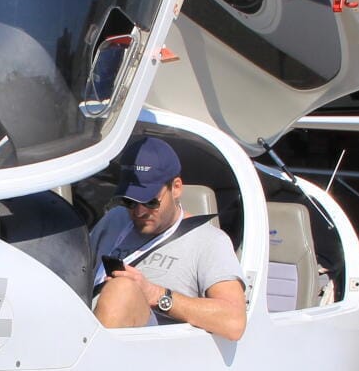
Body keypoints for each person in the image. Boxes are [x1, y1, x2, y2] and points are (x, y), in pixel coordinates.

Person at [88, 136, 247, 341]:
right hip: (86, 333)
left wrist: (156, 294)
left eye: (150, 201)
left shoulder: (210, 241)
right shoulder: (115, 220)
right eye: (129, 201)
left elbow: (234, 321)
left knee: (122, 289)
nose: (139, 211)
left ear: (177, 188)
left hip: (150, 355)